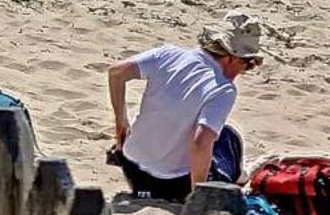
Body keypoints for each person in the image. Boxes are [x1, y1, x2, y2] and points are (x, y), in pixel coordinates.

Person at [106, 12, 264, 201]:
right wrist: (198, 197)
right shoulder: (223, 89)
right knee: (227, 137)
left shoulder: (167, 54)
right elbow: (201, 143)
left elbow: (116, 73)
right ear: (233, 58)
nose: (245, 71)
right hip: (171, 184)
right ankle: (242, 175)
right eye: (248, 65)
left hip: (131, 163)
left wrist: (121, 122)